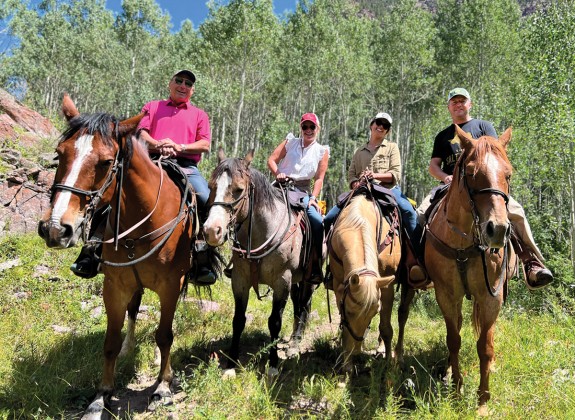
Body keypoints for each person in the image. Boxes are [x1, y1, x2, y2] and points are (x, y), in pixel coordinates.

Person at [71, 69, 217, 285]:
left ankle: (201, 257)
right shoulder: (153, 107)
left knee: (206, 198)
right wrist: (158, 144)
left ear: (192, 90)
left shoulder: (199, 115)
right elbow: (140, 133)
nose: (183, 85)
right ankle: (92, 249)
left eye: (188, 83)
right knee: (112, 190)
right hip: (149, 162)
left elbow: (204, 144)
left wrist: (179, 146)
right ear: (170, 83)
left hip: (185, 166)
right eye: (179, 80)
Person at [416, 87, 553, 289]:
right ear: (449, 107)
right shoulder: (442, 136)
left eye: (462, 101)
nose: (458, 104)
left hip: (483, 187)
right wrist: (446, 177)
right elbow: (433, 166)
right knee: (420, 214)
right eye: (454, 102)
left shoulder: (483, 127)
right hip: (450, 186)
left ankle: (530, 262)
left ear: (469, 104)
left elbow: (496, 156)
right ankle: (421, 265)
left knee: (516, 213)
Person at [323, 112, 426, 283]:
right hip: (361, 191)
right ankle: (331, 267)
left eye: (385, 125)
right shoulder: (359, 152)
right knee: (329, 218)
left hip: (388, 190)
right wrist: (355, 183)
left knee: (408, 212)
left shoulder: (391, 147)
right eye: (378, 123)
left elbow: (395, 174)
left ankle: (419, 261)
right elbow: (351, 175)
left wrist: (375, 176)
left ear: (388, 131)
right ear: (371, 125)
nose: (381, 127)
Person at [267, 112, 330, 283]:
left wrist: (313, 198)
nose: (308, 130)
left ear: (318, 128)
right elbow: (272, 160)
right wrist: (278, 173)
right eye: (305, 126)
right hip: (280, 187)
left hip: (303, 191)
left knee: (317, 222)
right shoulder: (290, 142)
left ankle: (315, 266)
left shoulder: (321, 151)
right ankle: (238, 258)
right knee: (254, 207)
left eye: (312, 127)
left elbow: (319, 179)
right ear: (301, 128)